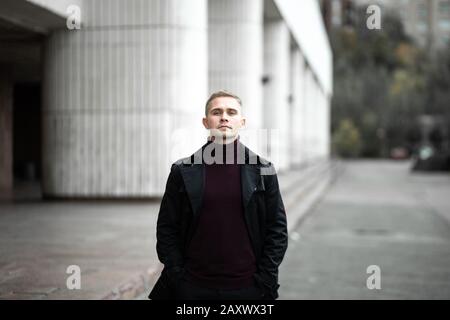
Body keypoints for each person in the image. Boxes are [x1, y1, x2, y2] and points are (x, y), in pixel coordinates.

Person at [148, 90, 288, 300]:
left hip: (247, 289)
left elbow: (277, 229)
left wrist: (264, 280)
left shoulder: (263, 170)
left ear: (242, 121)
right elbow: (167, 229)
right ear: (206, 122)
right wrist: (178, 277)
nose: (224, 117)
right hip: (192, 288)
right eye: (217, 112)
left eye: (231, 112)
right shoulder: (182, 170)